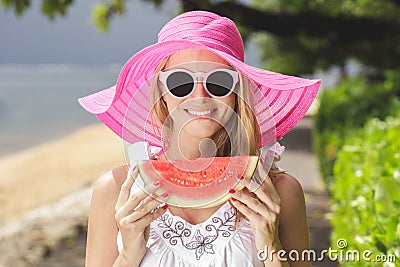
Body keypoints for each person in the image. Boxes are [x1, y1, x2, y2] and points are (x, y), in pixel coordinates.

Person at [79, 10, 321, 267]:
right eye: (180, 82)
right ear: (161, 91)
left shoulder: (281, 192)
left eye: (219, 81)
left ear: (237, 91)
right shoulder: (115, 191)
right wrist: (128, 255)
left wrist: (271, 248)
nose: (200, 95)